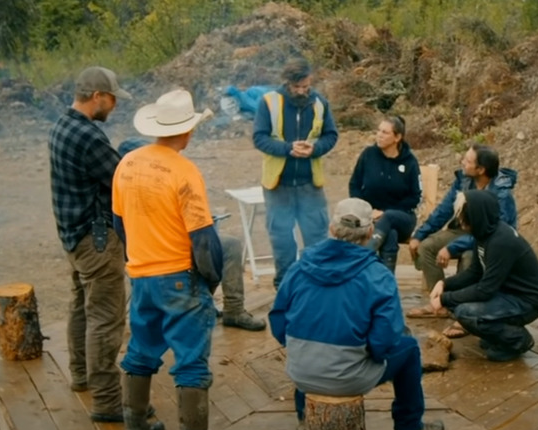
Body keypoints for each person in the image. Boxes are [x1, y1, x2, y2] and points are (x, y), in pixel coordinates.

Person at [269, 198, 445, 430]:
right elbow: (384, 341)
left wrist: (301, 345)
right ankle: (410, 428)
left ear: (331, 228)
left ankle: (305, 419)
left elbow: (278, 319)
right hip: (350, 377)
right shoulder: (378, 275)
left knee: (311, 351)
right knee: (410, 349)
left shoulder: (300, 267)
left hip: (301, 372)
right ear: (371, 231)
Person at [112, 89, 220, 430]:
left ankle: (138, 426)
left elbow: (119, 224)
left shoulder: (127, 163)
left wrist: (140, 258)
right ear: (188, 130)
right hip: (179, 277)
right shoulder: (185, 171)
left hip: (141, 276)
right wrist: (210, 281)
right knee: (191, 364)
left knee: (141, 352)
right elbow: (203, 241)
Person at [48, 66, 131, 422]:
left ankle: (81, 376)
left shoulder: (62, 126)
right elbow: (123, 179)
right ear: (97, 96)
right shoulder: (89, 138)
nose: (114, 107)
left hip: (73, 236)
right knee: (106, 320)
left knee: (82, 306)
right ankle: (108, 402)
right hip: (96, 241)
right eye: (112, 99)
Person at [118, 137, 266, 332]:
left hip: (164, 246)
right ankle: (201, 303)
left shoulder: (136, 176)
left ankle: (233, 309)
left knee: (229, 245)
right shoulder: (131, 180)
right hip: (162, 254)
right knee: (206, 254)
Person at [428, 190, 538, 362]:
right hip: (507, 294)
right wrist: (444, 284)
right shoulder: (484, 234)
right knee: (461, 304)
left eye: (464, 218)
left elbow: (485, 290)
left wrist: (445, 299)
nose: (461, 223)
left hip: (527, 302)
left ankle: (518, 340)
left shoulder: (501, 241)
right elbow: (474, 273)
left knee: (465, 312)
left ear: (475, 216)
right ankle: (499, 335)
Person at [253, 57, 339, 289]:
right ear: (287, 83)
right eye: (297, 87)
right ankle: (285, 284)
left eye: (306, 86)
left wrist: (315, 149)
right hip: (278, 184)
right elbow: (259, 138)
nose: (302, 91)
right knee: (281, 238)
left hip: (310, 184)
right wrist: (287, 149)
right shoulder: (268, 103)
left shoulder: (320, 103)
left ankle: (315, 282)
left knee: (316, 236)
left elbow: (331, 136)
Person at [407, 143, 518, 321]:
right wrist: (419, 235)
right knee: (427, 247)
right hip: (463, 230)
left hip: (488, 239)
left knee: (469, 257)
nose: (462, 162)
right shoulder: (464, 180)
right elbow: (444, 210)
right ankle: (437, 302)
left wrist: (453, 247)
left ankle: (461, 307)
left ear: (480, 169)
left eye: (467, 160)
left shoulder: (501, 194)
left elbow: (494, 232)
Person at [349, 115, 421, 273]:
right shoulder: (368, 155)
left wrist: (385, 213)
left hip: (402, 217)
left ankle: (361, 258)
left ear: (397, 137)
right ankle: (386, 281)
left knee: (388, 218)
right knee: (390, 234)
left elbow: (415, 197)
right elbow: (354, 185)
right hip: (370, 216)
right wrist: (366, 210)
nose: (379, 135)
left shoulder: (409, 162)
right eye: (379, 130)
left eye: (385, 132)